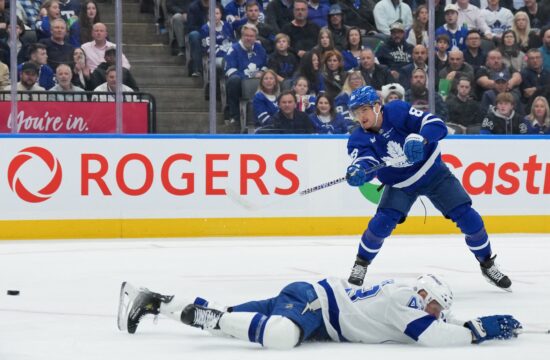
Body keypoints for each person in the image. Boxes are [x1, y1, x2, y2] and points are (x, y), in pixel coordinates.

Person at [344, 85, 512, 290]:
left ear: (378, 106)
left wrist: (421, 138)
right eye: (356, 113)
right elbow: (366, 162)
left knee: (469, 218)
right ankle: (361, 263)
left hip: (434, 174)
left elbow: (436, 124)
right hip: (401, 185)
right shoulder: (358, 138)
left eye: (364, 110)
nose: (360, 117)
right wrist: (360, 171)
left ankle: (487, 264)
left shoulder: (396, 111)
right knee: (380, 225)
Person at [117, 273, 522, 349]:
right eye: (436, 305)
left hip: (309, 304)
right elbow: (434, 335)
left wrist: (459, 322)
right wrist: (474, 331)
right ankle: (215, 317)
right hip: (314, 304)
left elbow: (435, 323)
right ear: (424, 294)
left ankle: (154, 300)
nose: (436, 313)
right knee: (278, 336)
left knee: (230, 326)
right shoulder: (407, 300)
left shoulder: (410, 300)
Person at [224, 23, 267, 125]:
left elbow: (265, 66)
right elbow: (230, 71)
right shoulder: (233, 49)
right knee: (233, 81)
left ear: (255, 37)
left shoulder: (260, 48)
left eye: (251, 36)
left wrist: (263, 73)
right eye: (246, 36)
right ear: (241, 36)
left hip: (259, 82)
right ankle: (234, 115)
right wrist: (250, 76)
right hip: (240, 82)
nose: (249, 38)